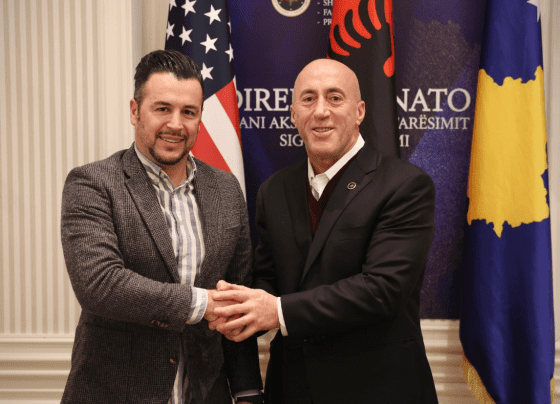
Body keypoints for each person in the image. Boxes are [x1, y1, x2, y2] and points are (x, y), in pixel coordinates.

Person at [210, 59, 438, 404]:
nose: (320, 111)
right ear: (293, 114)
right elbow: (269, 278)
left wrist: (278, 311)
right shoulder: (274, 190)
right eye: (308, 99)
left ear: (359, 111)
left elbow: (383, 290)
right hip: (292, 389)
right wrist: (239, 305)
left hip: (379, 389)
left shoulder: (405, 185)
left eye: (334, 98)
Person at [60, 50, 262, 404]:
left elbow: (237, 297)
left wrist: (248, 392)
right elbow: (100, 284)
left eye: (189, 112)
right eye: (162, 108)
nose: (176, 124)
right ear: (135, 111)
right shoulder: (93, 183)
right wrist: (202, 302)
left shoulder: (226, 189)